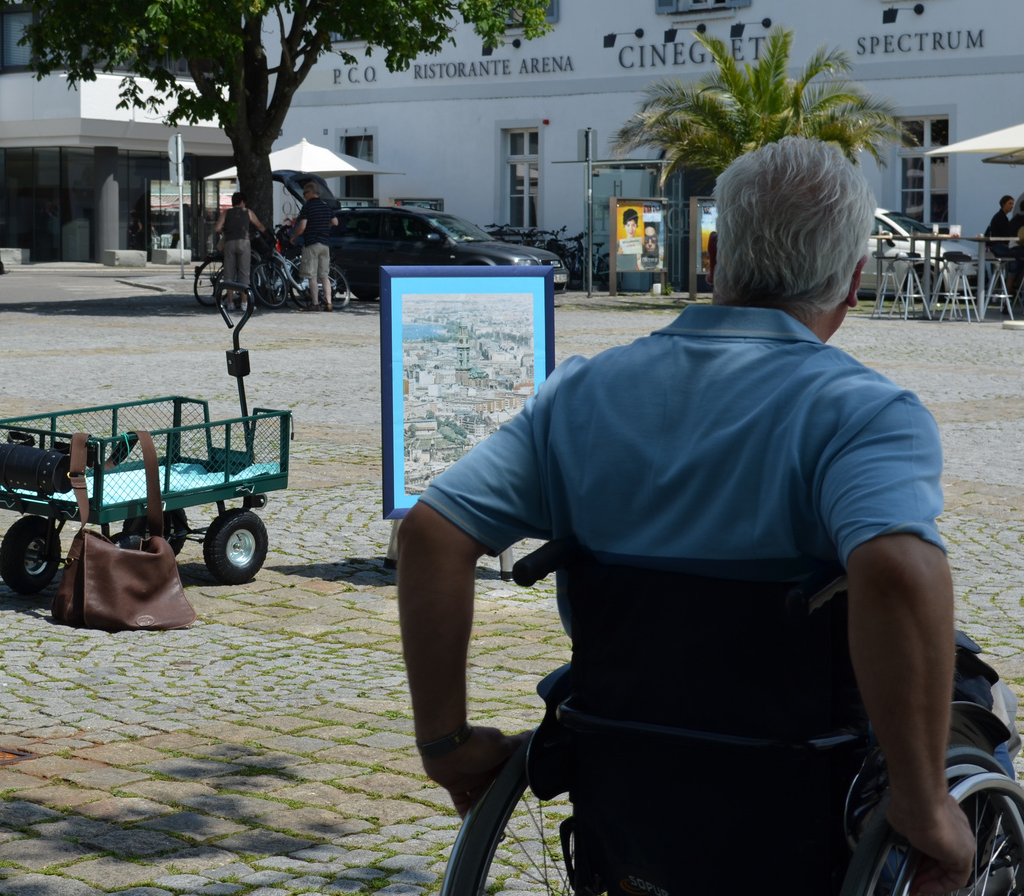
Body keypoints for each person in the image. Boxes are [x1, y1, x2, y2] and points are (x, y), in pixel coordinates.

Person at [396, 137, 975, 894]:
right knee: (979, 694)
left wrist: (444, 744)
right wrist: (925, 803)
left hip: (629, 762)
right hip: (801, 770)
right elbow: (898, 571)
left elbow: (430, 533)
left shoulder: (582, 394)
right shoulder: (859, 414)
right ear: (853, 282)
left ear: (710, 257)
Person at [291, 183, 339, 311]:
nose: (304, 196)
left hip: (311, 244)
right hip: (325, 245)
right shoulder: (326, 206)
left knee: (311, 276)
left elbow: (302, 227)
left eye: (304, 194)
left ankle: (315, 304)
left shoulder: (307, 207)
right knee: (324, 275)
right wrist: (324, 221)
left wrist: (294, 237)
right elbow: (335, 222)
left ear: (310, 193)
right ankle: (329, 303)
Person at [214, 191, 266, 310]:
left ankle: (230, 303)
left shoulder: (226, 213)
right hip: (244, 243)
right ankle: (244, 303)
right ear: (243, 202)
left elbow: (217, 228)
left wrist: (226, 228)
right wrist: (267, 233)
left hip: (229, 243)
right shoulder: (247, 212)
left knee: (229, 274)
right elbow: (259, 225)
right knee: (244, 274)